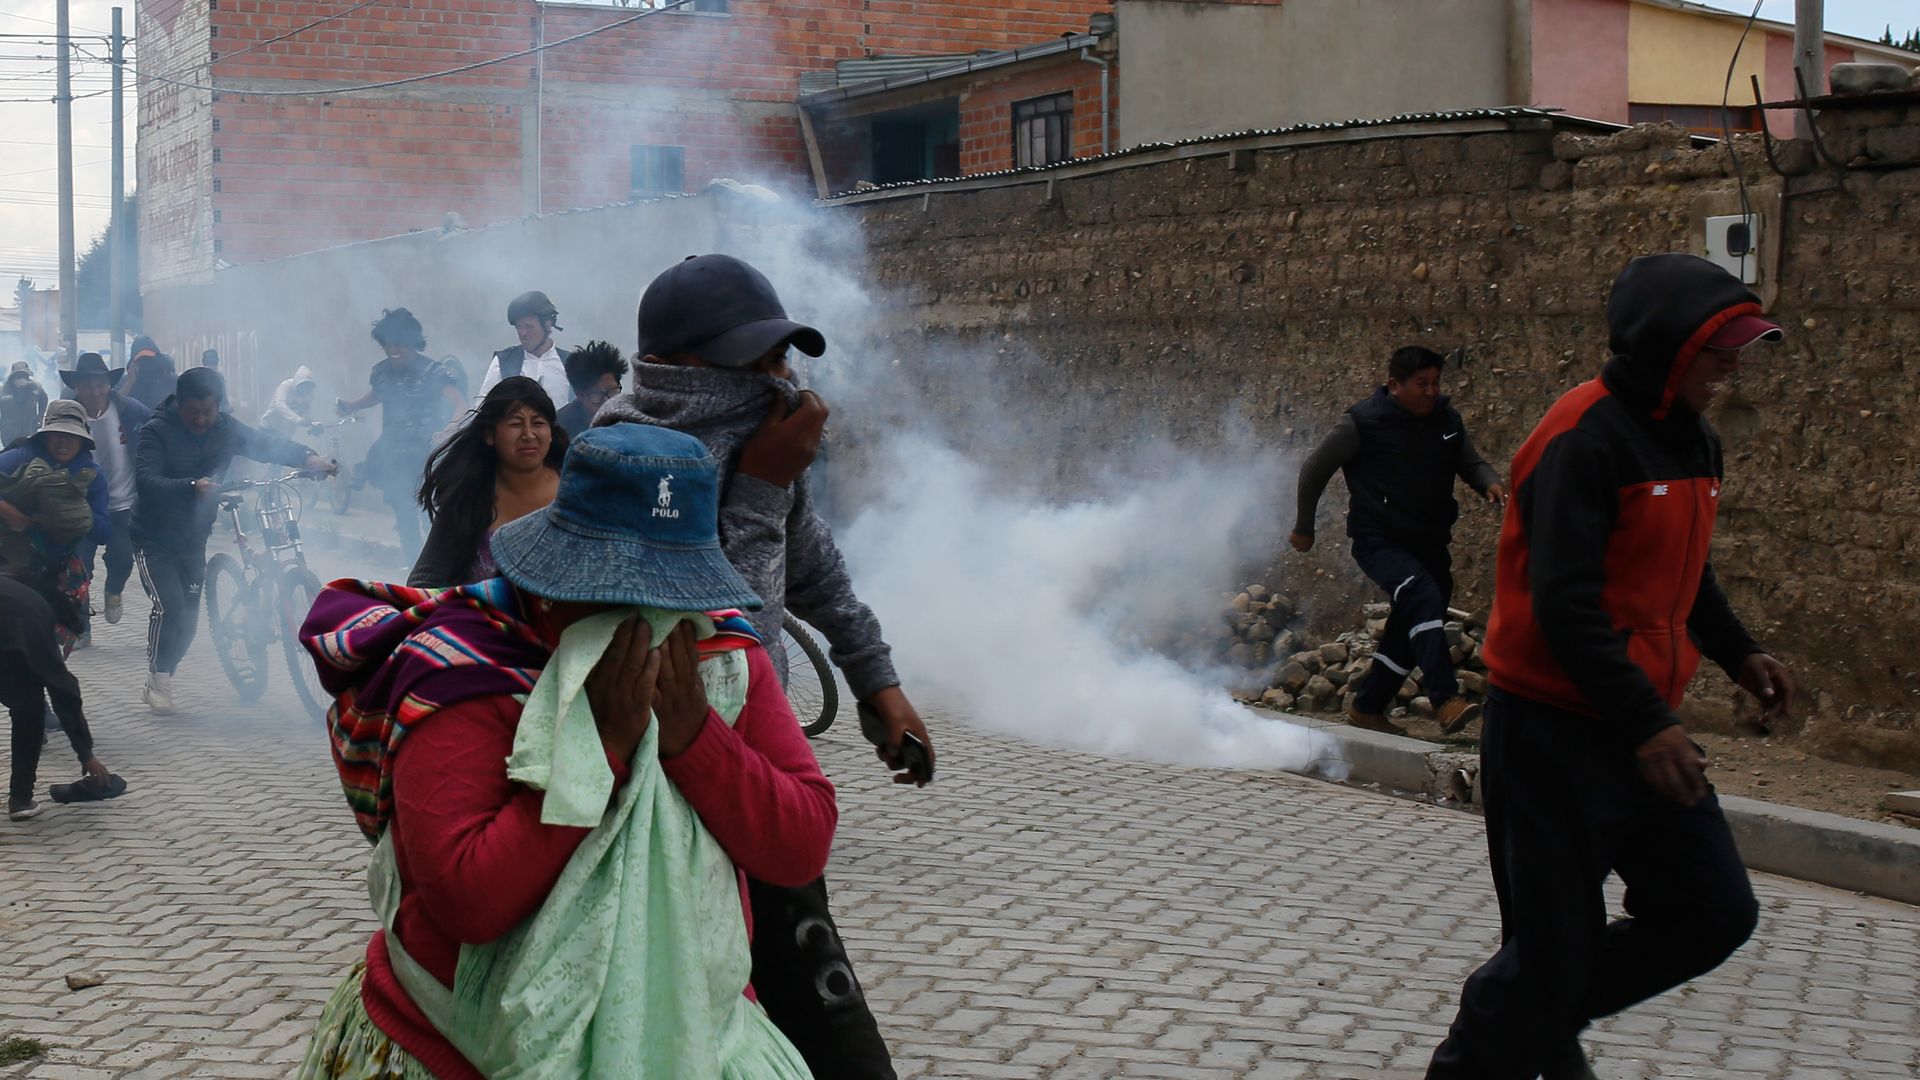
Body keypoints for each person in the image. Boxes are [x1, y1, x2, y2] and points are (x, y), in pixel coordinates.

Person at [295, 423, 833, 1078]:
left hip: (696, 1038)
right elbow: (468, 901)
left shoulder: (716, 657)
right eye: (615, 593)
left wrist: (696, 738)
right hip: (455, 1047)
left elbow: (800, 845)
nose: (645, 621)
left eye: (669, 595)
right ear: (555, 578)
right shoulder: (467, 666)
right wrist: (598, 745)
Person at [1426, 254, 1790, 1079]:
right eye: (1718, 349)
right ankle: (1509, 1029)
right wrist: (1651, 724)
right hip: (1553, 735)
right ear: (1664, 346)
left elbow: (1688, 572)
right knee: (1551, 948)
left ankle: (1524, 1020)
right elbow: (1565, 605)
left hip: (1640, 733)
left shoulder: (1695, 438)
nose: (1733, 364)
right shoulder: (1581, 438)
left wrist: (1740, 652)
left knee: (1715, 910)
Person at [597, 252, 931, 1078]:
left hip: (755, 762)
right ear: (672, 366)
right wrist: (754, 490)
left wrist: (875, 678)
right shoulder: (624, 455)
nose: (777, 379)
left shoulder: (761, 438)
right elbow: (715, 639)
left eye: (779, 358)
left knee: (826, 1022)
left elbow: (809, 564)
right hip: (660, 774)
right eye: (751, 360)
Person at [1291, 346, 1505, 736]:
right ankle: (1445, 699)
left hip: (1430, 540)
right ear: (1395, 385)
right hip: (1380, 540)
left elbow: (1469, 461)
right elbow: (1314, 469)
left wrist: (1489, 482)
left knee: (1413, 620)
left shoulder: (1446, 420)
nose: (1430, 391)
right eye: (1421, 384)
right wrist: (1305, 527)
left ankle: (1368, 706)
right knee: (1421, 597)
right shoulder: (1362, 423)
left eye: (1435, 383)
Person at [133, 367, 335, 714]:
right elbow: (146, 479)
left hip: (193, 536)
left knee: (189, 621)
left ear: (218, 407)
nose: (200, 419)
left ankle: (167, 668)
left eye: (208, 412)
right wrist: (190, 486)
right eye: (193, 412)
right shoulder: (156, 432)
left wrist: (308, 457)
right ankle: (158, 679)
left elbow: (267, 444)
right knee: (171, 606)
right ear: (178, 404)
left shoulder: (226, 429)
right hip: (154, 537)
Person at [408, 376, 567, 589]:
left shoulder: (575, 491)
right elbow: (425, 580)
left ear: (550, 433)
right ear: (490, 435)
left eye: (538, 423)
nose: (528, 434)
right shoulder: (469, 498)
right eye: (515, 424)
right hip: (481, 619)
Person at [335, 309, 466, 563]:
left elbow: (460, 405)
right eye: (389, 344)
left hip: (427, 455)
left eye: (400, 343)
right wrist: (351, 405)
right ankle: (414, 573)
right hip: (393, 456)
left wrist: (448, 430)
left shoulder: (433, 371)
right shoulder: (382, 372)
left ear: (412, 342)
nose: (394, 349)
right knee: (405, 518)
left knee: (431, 518)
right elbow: (376, 395)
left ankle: (438, 573)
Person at [3, 574, 124, 822]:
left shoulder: (22, 587)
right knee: (30, 712)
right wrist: (86, 754)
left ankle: (21, 798)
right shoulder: (36, 614)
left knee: (27, 704)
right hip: (8, 642)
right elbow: (62, 691)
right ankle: (21, 799)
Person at [63, 352, 151, 632]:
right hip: (81, 506)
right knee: (78, 568)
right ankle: (81, 629)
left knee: (123, 559)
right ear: (77, 387)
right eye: (87, 385)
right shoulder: (66, 416)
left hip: (124, 504)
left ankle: (114, 590)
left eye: (100, 384)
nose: (94, 390)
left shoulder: (130, 410)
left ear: (108, 385)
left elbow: (158, 432)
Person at [477, 291, 572, 407]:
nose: (522, 333)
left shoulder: (570, 364)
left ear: (547, 325)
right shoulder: (503, 362)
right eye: (519, 327)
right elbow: (482, 408)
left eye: (529, 327)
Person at [554, 339, 626, 437]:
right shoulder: (559, 429)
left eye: (612, 392)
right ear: (579, 394)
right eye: (597, 395)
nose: (607, 401)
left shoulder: (632, 420)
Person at [260, 366, 318, 439]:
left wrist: (309, 421)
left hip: (286, 433)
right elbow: (279, 404)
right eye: (304, 385)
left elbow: (307, 410)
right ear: (297, 382)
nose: (305, 389)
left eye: (308, 386)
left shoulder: (309, 395)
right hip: (269, 428)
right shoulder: (285, 386)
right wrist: (298, 420)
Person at [121, 336, 177, 409]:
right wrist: (129, 382)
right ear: (133, 364)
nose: (147, 364)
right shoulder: (125, 382)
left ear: (159, 359)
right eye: (142, 361)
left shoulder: (173, 381)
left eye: (150, 360)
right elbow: (114, 406)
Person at [1, 361, 48, 445]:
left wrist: (40, 416)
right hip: (9, 432)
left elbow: (44, 399)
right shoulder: (3, 391)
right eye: (18, 376)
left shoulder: (35, 387)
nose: (21, 379)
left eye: (24, 376)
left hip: (30, 428)